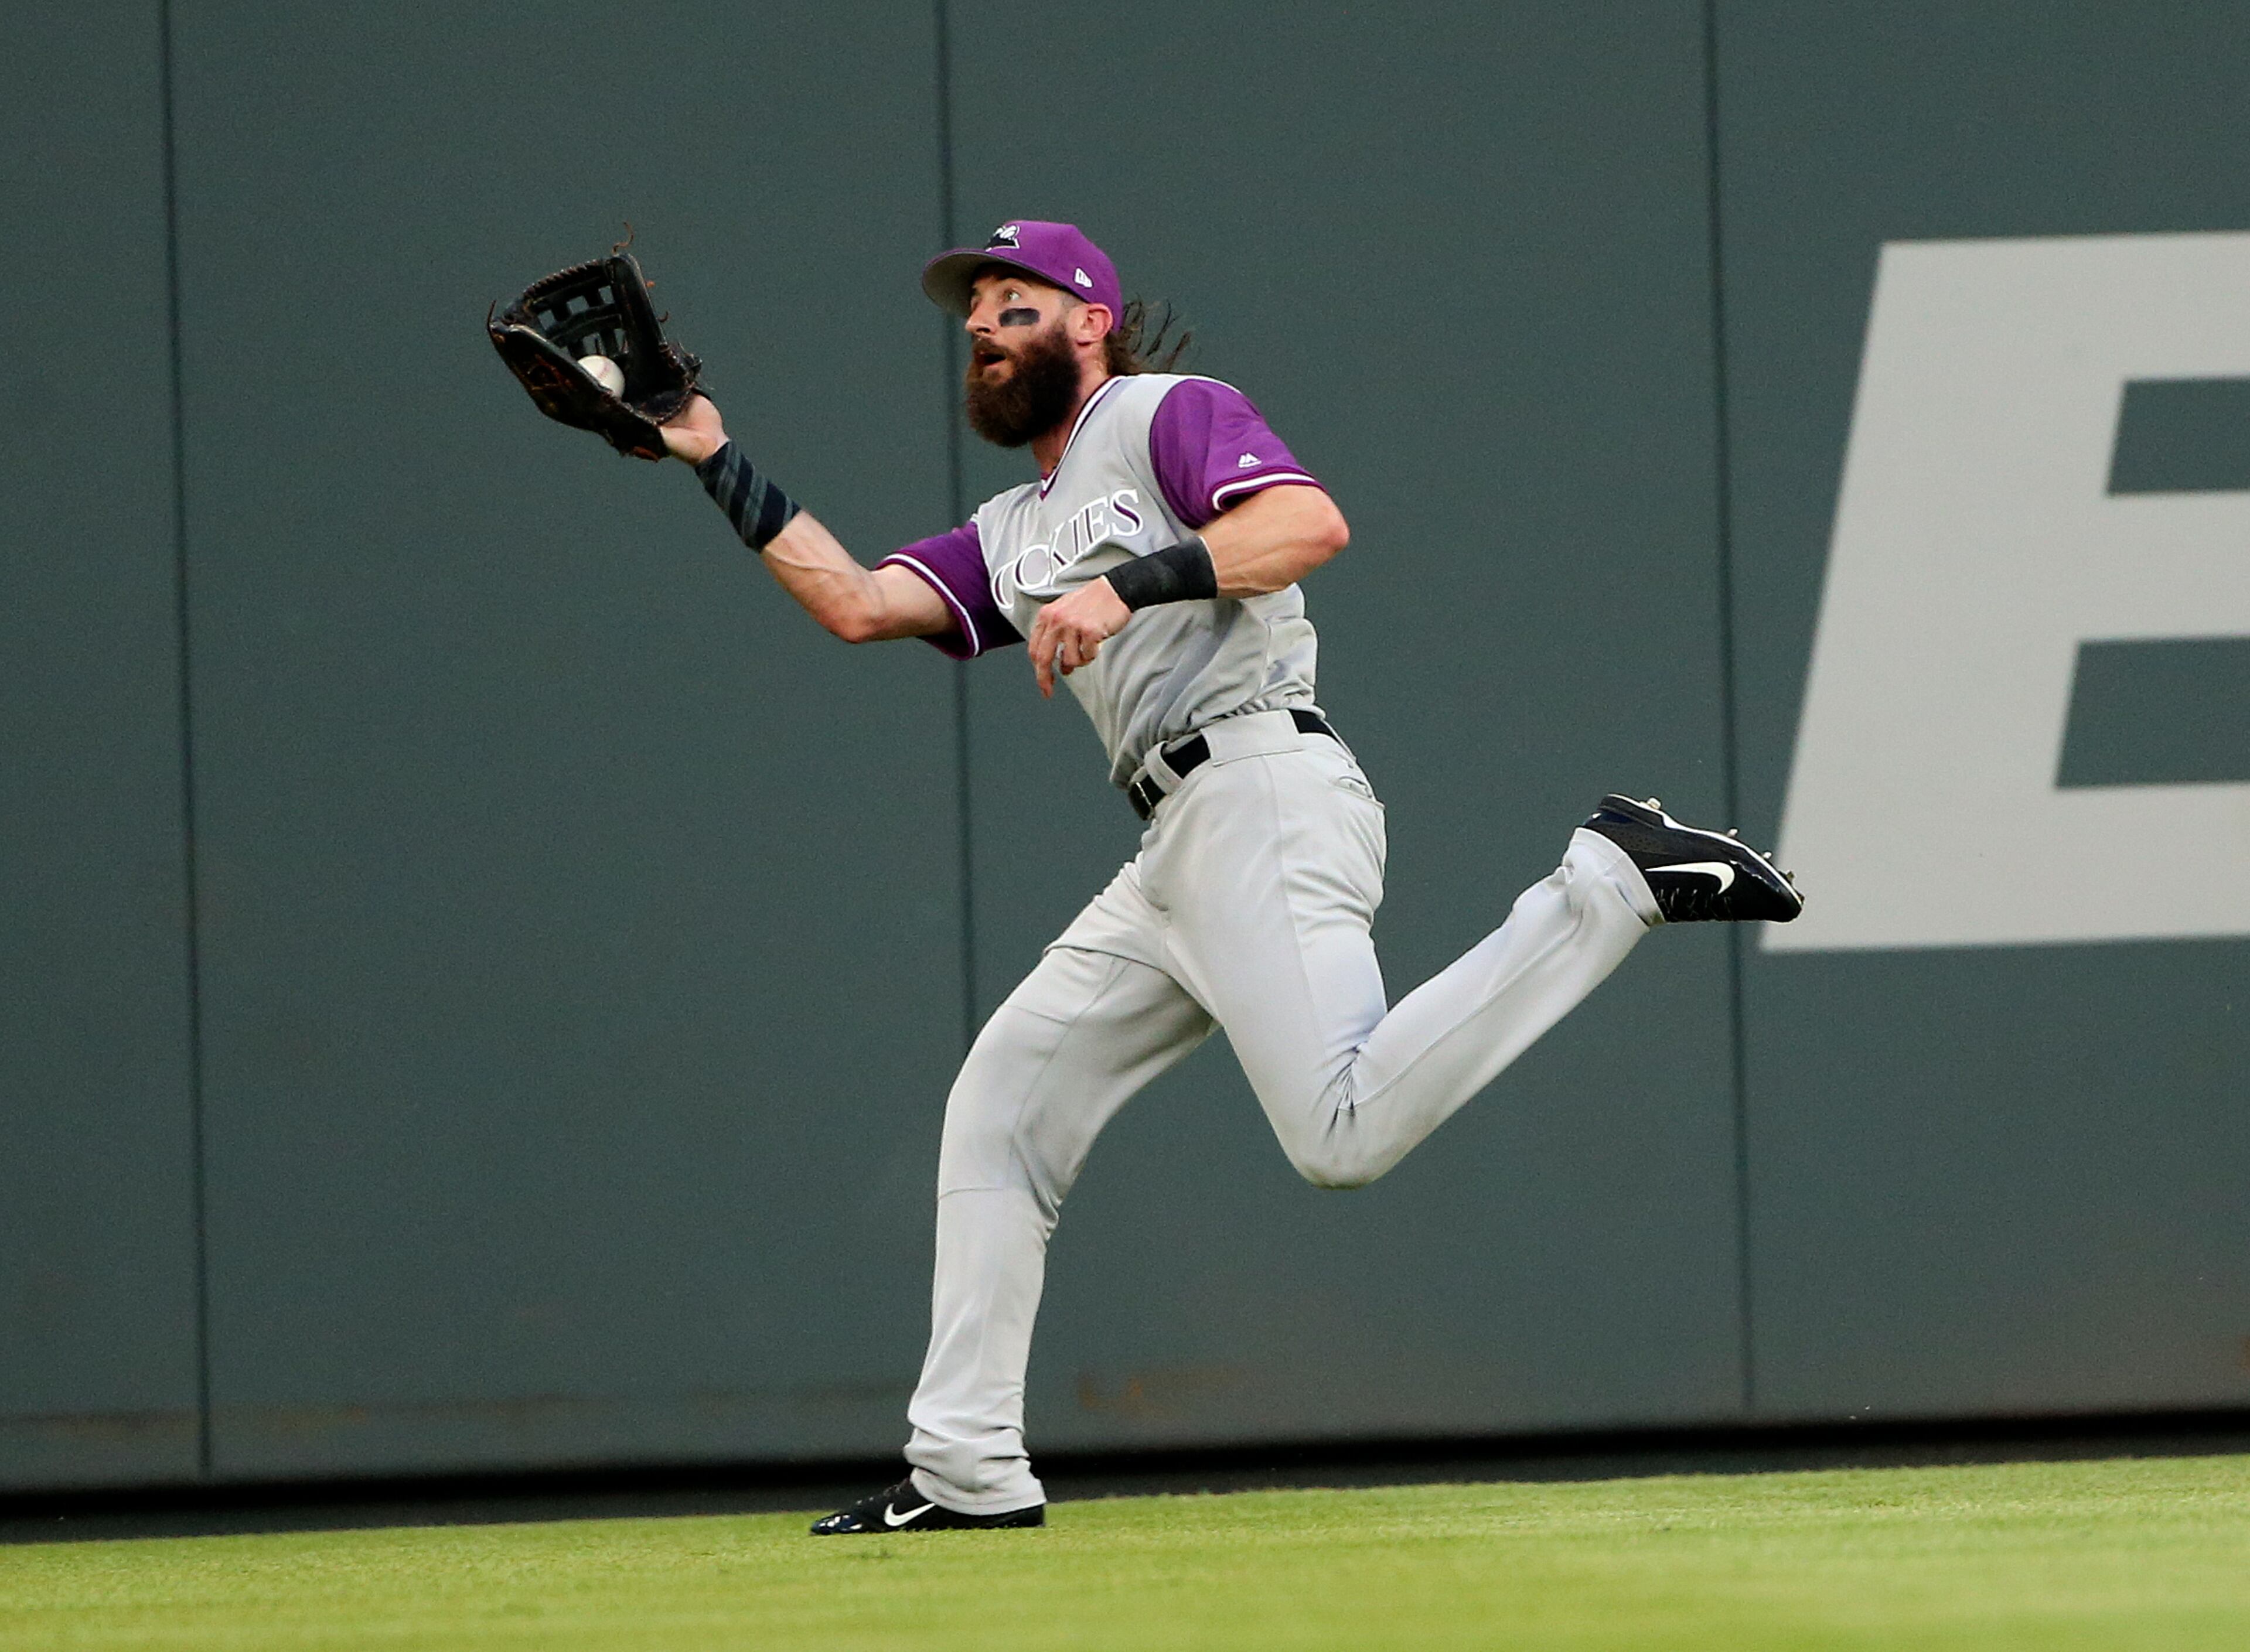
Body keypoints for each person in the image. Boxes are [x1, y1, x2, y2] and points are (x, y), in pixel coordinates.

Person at [657, 220, 1801, 1535]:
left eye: (1014, 302)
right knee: (1001, 1113)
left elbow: (1308, 523)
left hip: (1260, 789)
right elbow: (857, 603)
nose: (982, 325)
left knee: (1342, 1134)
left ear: (1089, 318)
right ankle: (964, 1465)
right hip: (1172, 850)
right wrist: (710, 455)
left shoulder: (1161, 415)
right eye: (972, 311)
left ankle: (1607, 881)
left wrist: (1131, 589)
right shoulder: (1013, 527)